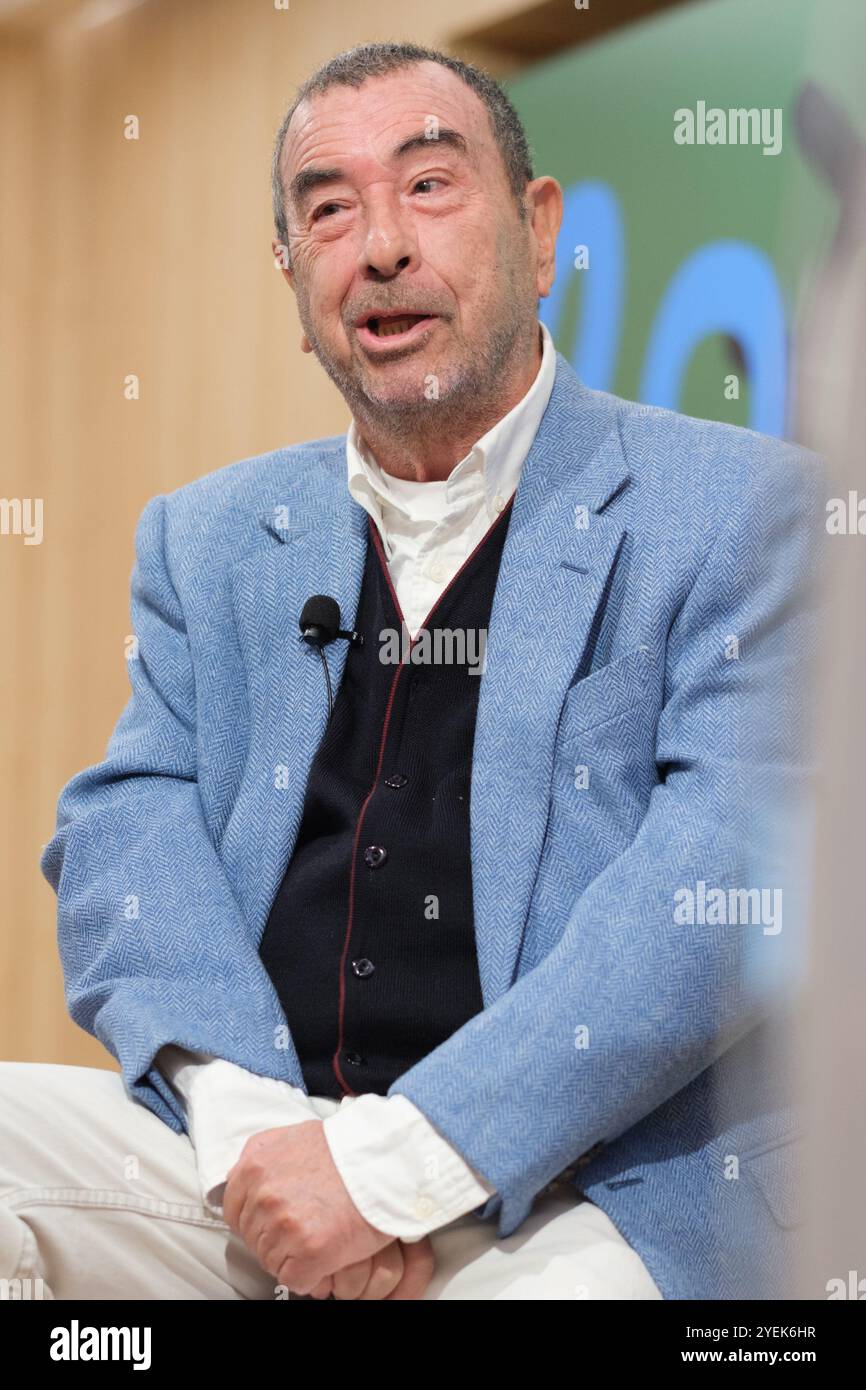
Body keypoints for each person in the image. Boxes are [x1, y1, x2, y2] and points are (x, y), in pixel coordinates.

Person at [3, 40, 818, 1301]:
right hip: (261, 1158)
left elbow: (726, 877)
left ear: (539, 233)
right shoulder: (210, 537)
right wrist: (254, 1143)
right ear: (293, 277)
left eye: (429, 186)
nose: (378, 246)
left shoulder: (740, 511)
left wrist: (394, 1171)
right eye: (327, 209)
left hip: (584, 1193)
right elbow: (126, 829)